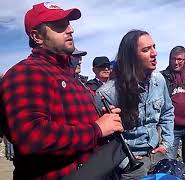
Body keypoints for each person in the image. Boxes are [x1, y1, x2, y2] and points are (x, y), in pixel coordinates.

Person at [0, 2, 124, 179]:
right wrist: (96, 129)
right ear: (37, 36)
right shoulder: (26, 72)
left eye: (68, 23)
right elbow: (32, 136)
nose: (70, 29)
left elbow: (74, 120)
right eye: (59, 26)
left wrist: (103, 116)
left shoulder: (70, 76)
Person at [95, 30, 174, 179]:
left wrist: (166, 145)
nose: (154, 53)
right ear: (131, 57)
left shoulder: (159, 81)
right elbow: (103, 139)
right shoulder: (107, 93)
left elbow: (167, 112)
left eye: (154, 47)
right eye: (146, 50)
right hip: (131, 165)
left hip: (157, 156)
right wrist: (124, 162)